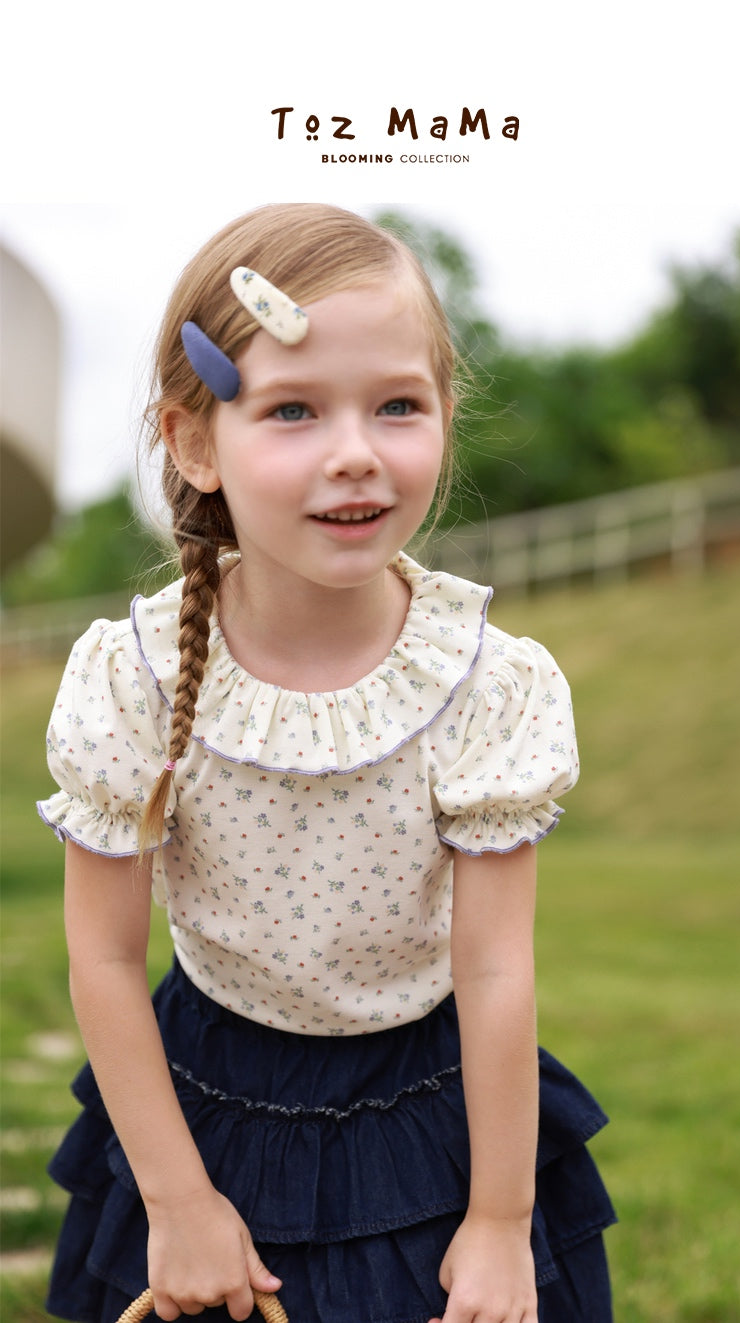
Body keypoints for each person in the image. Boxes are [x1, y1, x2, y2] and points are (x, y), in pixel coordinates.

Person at [38, 203, 615, 1323]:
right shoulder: (138, 679)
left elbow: (496, 971)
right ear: (194, 441)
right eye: (293, 410)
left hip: (440, 1109)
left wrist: (497, 1224)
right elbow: (103, 962)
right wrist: (175, 1198)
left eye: (397, 405)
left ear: (445, 415)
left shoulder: (486, 682)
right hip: (197, 1102)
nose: (356, 452)